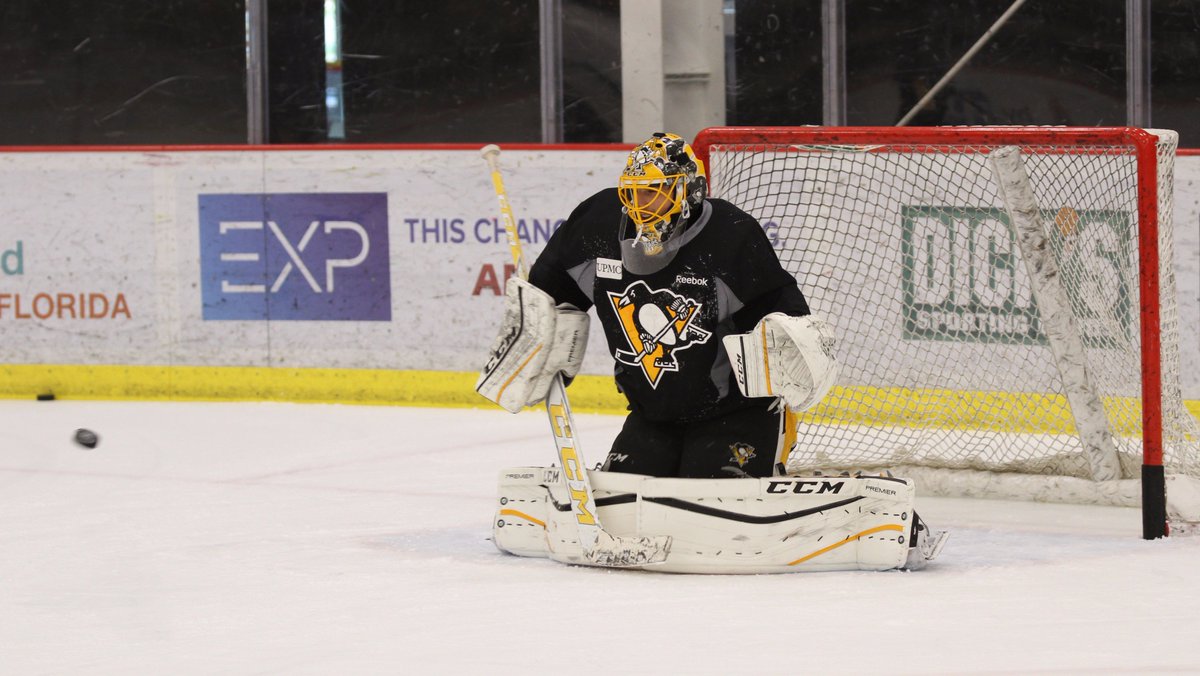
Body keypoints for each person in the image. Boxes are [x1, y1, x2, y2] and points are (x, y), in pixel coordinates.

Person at [476, 132, 838, 480]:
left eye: (655, 194)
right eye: (633, 195)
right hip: (652, 414)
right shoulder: (596, 225)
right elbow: (550, 294)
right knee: (629, 492)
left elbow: (783, 317)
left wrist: (791, 349)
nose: (640, 207)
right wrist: (534, 330)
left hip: (736, 413)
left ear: (690, 192)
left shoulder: (731, 236)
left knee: (710, 494)